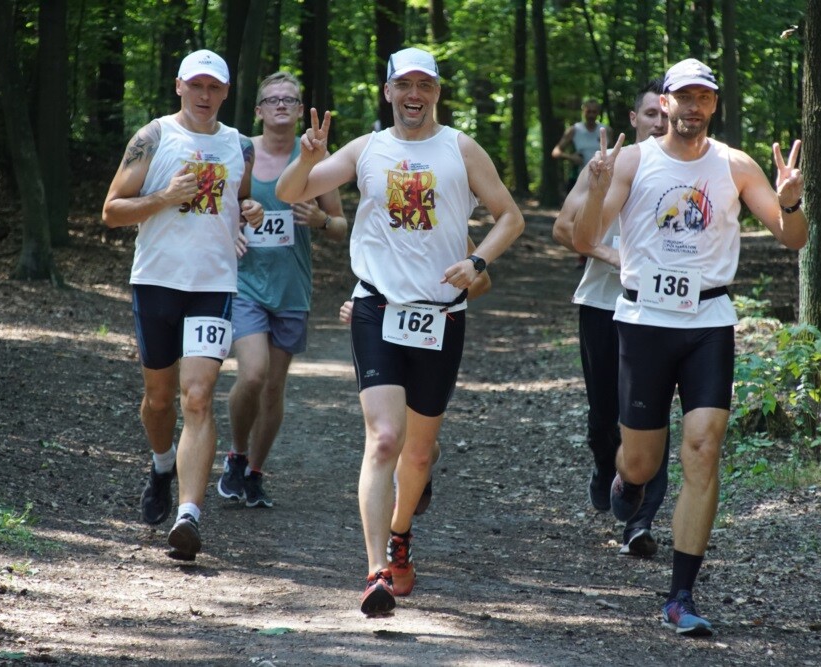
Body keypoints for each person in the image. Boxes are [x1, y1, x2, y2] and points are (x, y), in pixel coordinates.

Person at [275, 47, 524, 616]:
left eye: (425, 85)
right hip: (377, 309)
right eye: (404, 85)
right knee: (385, 438)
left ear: (436, 92)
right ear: (387, 91)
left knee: (419, 453)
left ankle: (402, 534)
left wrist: (478, 262)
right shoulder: (367, 149)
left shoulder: (460, 148)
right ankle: (375, 572)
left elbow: (510, 216)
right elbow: (290, 193)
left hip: (441, 314)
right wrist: (306, 156)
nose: (415, 95)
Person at [573, 58, 806, 636]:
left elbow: (794, 238)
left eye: (705, 98)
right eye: (685, 97)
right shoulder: (633, 160)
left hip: (708, 318)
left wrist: (791, 200)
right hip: (644, 319)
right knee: (641, 461)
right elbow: (582, 239)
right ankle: (626, 482)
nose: (694, 107)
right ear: (667, 103)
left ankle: (681, 595)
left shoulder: (734, 165)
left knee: (703, 449)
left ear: (714, 106)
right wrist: (597, 191)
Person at [102, 49, 264, 562]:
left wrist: (250, 211)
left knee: (197, 397)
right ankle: (161, 463)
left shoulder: (240, 145)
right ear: (178, 86)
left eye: (214, 87)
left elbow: (238, 203)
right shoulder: (153, 138)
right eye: (196, 85)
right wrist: (163, 197)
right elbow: (111, 211)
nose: (204, 95)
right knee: (159, 400)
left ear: (225, 92)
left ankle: (188, 515)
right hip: (156, 281)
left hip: (213, 286)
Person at [216, 72, 348, 510]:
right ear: (258, 109)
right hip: (246, 283)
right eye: (271, 99)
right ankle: (235, 455)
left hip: (292, 287)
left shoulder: (314, 157)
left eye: (289, 100)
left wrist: (321, 222)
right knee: (251, 374)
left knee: (274, 387)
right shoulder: (240, 149)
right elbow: (212, 208)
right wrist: (235, 222)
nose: (280, 106)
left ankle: (255, 472)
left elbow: (341, 225)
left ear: (298, 110)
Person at [552, 79, 670, 559]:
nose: (659, 123)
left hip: (662, 313)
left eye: (666, 114)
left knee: (651, 419)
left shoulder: (692, 170)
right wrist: (612, 255)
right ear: (632, 119)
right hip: (603, 306)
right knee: (605, 419)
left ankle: (639, 521)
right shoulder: (606, 166)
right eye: (650, 114)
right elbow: (564, 229)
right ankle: (606, 466)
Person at [337, 236, 492, 517]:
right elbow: (372, 276)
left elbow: (483, 282)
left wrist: (440, 298)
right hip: (383, 330)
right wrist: (359, 307)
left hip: (433, 331)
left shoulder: (449, 223)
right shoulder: (383, 219)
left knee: (417, 440)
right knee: (386, 434)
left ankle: (423, 460)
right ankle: (387, 535)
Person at [553, 99, 608, 268]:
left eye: (594, 112)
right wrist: (572, 158)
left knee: (596, 215)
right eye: (588, 111)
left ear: (598, 112)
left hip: (601, 180)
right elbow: (556, 152)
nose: (591, 115)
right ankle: (582, 255)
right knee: (578, 217)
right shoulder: (574, 130)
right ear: (583, 111)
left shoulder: (605, 131)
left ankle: (590, 252)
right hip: (578, 179)